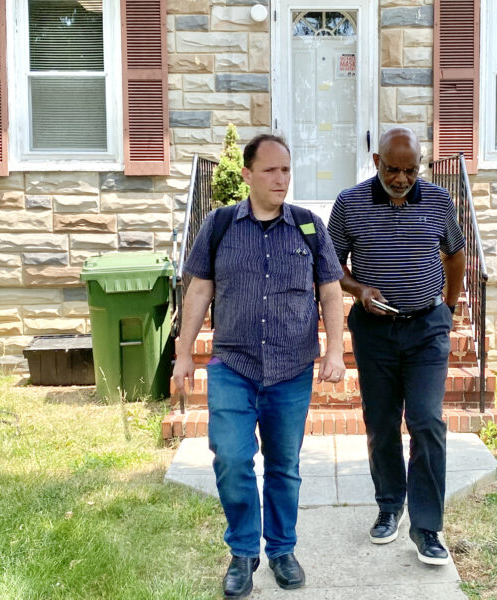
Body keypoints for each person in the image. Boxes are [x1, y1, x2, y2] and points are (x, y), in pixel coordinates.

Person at [173, 134, 345, 598]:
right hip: (233, 364)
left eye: (286, 170)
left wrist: (334, 352)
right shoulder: (221, 224)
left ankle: (282, 550)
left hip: (291, 368)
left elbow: (330, 291)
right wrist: (184, 353)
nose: (280, 179)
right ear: (247, 174)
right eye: (270, 170)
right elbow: (198, 291)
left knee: (284, 465)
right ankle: (243, 551)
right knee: (231, 458)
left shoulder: (309, 226)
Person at [326, 127, 466, 566]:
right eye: (393, 169)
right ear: (376, 162)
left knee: (426, 421)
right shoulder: (350, 204)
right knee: (382, 422)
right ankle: (389, 505)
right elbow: (330, 265)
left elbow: (456, 254)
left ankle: (427, 528)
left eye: (411, 170)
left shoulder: (439, 201)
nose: (402, 178)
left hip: (426, 329)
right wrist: (359, 289)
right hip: (375, 332)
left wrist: (449, 305)